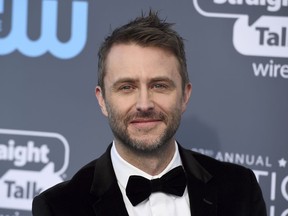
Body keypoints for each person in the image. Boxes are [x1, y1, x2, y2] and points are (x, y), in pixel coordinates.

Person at [32, 11, 267, 216]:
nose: (144, 104)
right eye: (126, 87)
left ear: (185, 95)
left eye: (159, 85)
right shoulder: (59, 207)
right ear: (102, 100)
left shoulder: (240, 189)